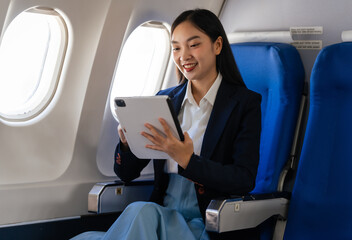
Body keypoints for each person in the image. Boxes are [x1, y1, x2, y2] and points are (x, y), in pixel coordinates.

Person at [71, 8, 261, 240]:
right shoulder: (166, 99)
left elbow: (243, 179)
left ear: (217, 45)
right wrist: (128, 144)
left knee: (140, 211)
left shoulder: (244, 104)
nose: (184, 56)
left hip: (205, 223)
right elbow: (127, 174)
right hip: (162, 217)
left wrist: (188, 161)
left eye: (194, 45)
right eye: (176, 48)